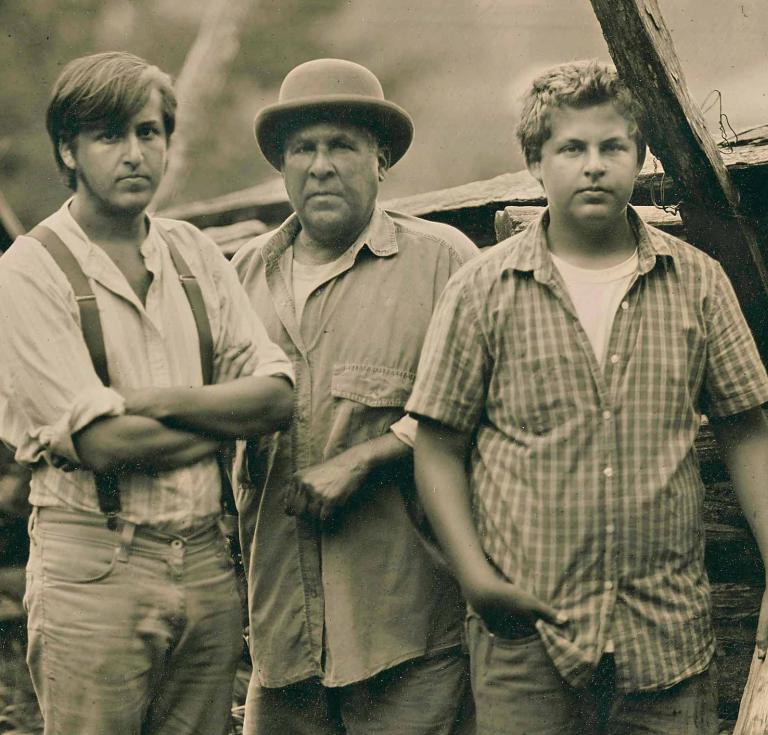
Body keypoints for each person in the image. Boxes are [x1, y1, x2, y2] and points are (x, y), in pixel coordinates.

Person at [406, 60, 768, 734]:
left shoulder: (697, 282)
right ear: (536, 164)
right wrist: (477, 577)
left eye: (613, 147)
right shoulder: (483, 290)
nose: (594, 166)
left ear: (640, 156)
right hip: (527, 640)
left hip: (663, 636)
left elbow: (748, 428)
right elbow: (437, 446)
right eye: (571, 149)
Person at [0, 51, 294, 735]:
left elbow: (278, 397)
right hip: (94, 566)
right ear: (68, 150)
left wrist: (146, 400)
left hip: (204, 560)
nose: (134, 154)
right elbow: (105, 443)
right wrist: (224, 414)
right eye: (109, 136)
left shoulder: (193, 253)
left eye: (148, 132)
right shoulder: (29, 271)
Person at [233, 58, 478, 735]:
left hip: (407, 638)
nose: (321, 165)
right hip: (281, 646)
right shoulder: (241, 275)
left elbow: (490, 401)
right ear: (281, 167)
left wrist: (370, 455)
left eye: (341, 145)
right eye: (303, 149)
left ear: (382, 158)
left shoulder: (445, 263)